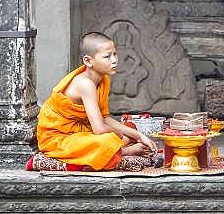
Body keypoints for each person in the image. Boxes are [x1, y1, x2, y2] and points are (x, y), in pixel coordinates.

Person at [28, 32, 159, 172]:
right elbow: (99, 129)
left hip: (81, 130)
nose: (114, 60)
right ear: (88, 61)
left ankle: (117, 148)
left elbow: (104, 118)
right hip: (58, 138)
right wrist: (124, 136)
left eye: (115, 54)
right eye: (107, 56)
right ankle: (125, 152)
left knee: (130, 127)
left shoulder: (103, 79)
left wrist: (139, 135)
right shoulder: (85, 84)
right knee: (107, 141)